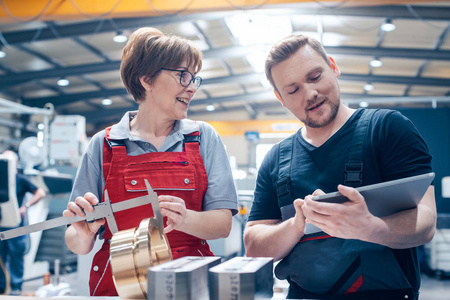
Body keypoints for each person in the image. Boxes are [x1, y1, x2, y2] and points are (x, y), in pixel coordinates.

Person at [243, 34, 436, 300]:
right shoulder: (276, 158)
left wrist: (369, 227)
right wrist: (298, 224)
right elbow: (253, 246)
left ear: (333, 67)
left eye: (314, 77)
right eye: (293, 90)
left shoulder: (388, 129)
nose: (310, 93)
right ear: (280, 98)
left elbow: (425, 221)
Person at [63, 27, 238, 296]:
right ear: (147, 79)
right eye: (183, 76)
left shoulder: (203, 137)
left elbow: (223, 225)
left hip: (189, 284)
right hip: (121, 285)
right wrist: (83, 233)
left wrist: (186, 218)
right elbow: (76, 240)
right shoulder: (103, 144)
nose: (191, 87)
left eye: (194, 79)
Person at [0, 150, 46, 295]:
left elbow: (40, 192)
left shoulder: (19, 179)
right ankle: (2, 287)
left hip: (16, 225)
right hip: (1, 224)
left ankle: (16, 286)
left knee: (16, 256)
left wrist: (25, 206)